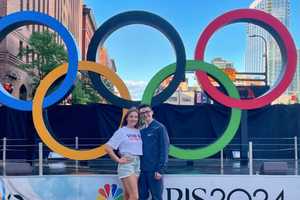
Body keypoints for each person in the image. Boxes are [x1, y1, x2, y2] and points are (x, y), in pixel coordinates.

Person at [105, 107, 142, 200]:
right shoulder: (122, 131)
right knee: (135, 196)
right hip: (127, 164)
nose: (133, 119)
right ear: (127, 118)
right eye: (131, 116)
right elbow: (107, 147)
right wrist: (118, 159)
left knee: (128, 195)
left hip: (137, 163)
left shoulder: (138, 131)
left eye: (136, 117)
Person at [138, 104, 170, 200]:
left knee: (156, 197)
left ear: (152, 112)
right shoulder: (141, 130)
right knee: (142, 197)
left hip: (154, 171)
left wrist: (160, 169)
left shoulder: (160, 128)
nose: (145, 114)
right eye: (142, 113)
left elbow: (164, 149)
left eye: (147, 111)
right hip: (141, 171)